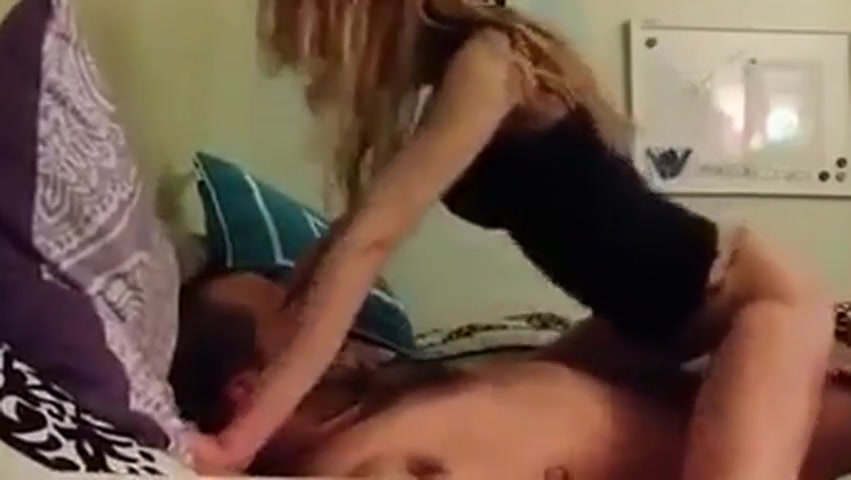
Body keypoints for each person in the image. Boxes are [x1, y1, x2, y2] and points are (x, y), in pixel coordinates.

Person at [188, 1, 834, 478]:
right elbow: (352, 234)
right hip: (649, 320)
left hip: (748, 297)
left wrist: (238, 442)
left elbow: (370, 242)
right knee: (523, 387)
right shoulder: (454, 81)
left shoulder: (488, 64)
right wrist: (295, 302)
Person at [173, 270, 851, 479]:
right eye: (293, 312)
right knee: (783, 302)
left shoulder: (396, 402)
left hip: (719, 393)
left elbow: (563, 382)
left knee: (748, 280)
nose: (330, 317)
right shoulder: (360, 462)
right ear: (246, 392)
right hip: (773, 433)